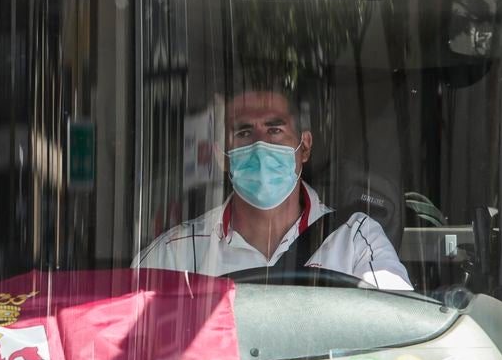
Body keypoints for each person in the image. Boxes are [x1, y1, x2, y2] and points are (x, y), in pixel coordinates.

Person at [132, 86, 412, 291]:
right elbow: (130, 342)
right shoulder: (174, 253)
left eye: (275, 130)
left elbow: (396, 326)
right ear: (222, 157)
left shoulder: (355, 239)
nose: (260, 145)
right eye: (243, 132)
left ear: (305, 147)